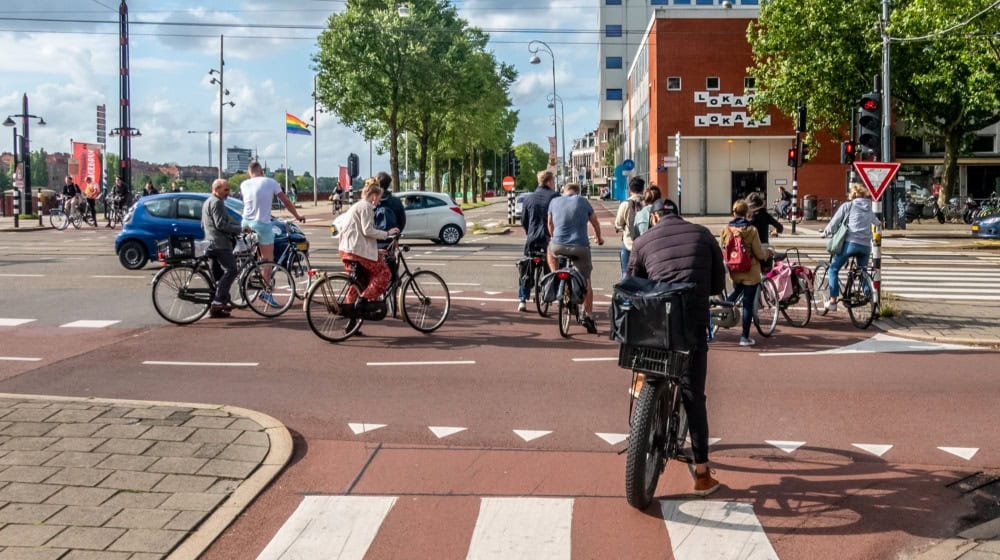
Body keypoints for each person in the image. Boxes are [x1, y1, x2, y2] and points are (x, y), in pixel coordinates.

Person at [628, 196, 726, 497]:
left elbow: (632, 283)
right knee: (694, 396)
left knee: (649, 364)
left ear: (654, 217)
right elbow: (718, 284)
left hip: (655, 326)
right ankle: (702, 475)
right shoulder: (703, 234)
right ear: (678, 216)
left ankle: (643, 395)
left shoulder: (642, 241)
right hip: (691, 325)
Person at [241, 161, 305, 305]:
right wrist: (297, 215)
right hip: (262, 224)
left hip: (245, 223)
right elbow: (286, 202)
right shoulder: (271, 182)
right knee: (268, 260)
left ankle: (252, 275)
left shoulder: (244, 184)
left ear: (249, 173)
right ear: (261, 171)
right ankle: (266, 292)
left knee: (255, 256)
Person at [546, 182, 604, 334]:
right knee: (586, 280)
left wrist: (554, 237)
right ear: (577, 192)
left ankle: (555, 275)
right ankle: (588, 316)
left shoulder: (554, 201)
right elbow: (595, 222)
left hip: (558, 245)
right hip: (580, 247)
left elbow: (550, 223)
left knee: (550, 252)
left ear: (564, 191)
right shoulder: (583, 201)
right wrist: (599, 238)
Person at [339, 178, 400, 314]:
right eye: (379, 198)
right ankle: (363, 301)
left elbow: (359, 235)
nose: (379, 201)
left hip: (346, 250)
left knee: (360, 280)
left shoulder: (357, 206)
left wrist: (375, 251)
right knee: (384, 274)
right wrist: (387, 233)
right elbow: (368, 230)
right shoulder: (366, 207)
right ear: (373, 196)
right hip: (356, 251)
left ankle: (352, 315)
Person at [822, 183, 880, 312]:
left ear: (852, 195)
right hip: (865, 247)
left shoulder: (848, 206)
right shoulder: (868, 208)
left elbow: (834, 222)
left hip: (851, 244)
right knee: (863, 273)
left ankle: (833, 301)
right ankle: (871, 300)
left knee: (833, 269)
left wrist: (825, 233)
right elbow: (877, 223)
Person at [720, 200, 771, 347]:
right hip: (750, 271)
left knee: (736, 292)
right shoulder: (751, 230)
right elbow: (759, 253)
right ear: (747, 213)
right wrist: (768, 253)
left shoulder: (726, 229)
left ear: (733, 212)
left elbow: (722, 248)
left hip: (734, 270)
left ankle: (722, 312)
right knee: (747, 304)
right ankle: (744, 337)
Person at [201, 179, 246, 318]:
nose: (228, 192)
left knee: (218, 276)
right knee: (232, 270)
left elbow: (203, 224)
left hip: (210, 243)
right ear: (216, 190)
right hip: (220, 244)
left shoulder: (208, 201)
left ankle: (217, 309)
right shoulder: (217, 202)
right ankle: (218, 300)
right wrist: (239, 229)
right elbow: (220, 224)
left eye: (229, 189)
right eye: (225, 190)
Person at [517, 170, 560, 312]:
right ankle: (550, 293)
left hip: (532, 239)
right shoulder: (555, 197)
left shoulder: (529, 198)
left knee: (526, 268)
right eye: (553, 181)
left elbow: (524, 220)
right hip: (548, 239)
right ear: (549, 182)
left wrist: (529, 232)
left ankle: (522, 300)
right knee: (555, 264)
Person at [615, 176, 645, 278]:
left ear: (630, 190)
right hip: (646, 243)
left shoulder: (625, 204)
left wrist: (621, 228)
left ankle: (625, 281)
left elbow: (618, 223)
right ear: (643, 189)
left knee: (626, 271)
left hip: (629, 243)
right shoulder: (647, 202)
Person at [746, 192, 783, 270]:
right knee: (766, 270)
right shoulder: (765, 215)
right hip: (763, 247)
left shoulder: (747, 217)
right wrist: (775, 231)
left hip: (750, 248)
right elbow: (780, 227)